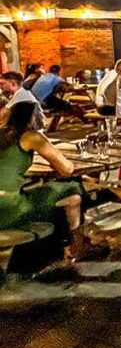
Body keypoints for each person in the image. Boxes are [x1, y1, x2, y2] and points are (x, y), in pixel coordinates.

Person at [0, 101, 85, 261]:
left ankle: (58, 246)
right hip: (8, 211)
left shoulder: (4, 136)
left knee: (41, 191)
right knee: (73, 190)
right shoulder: (31, 137)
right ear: (33, 119)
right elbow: (67, 169)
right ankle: (74, 247)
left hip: (5, 203)